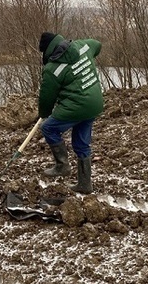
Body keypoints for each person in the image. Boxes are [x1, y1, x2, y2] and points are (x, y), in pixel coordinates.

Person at [38, 32, 103, 194]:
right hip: (94, 104)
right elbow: (97, 44)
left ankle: (62, 165)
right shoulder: (83, 46)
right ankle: (85, 184)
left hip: (76, 106)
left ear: (47, 52)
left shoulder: (53, 69)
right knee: (81, 143)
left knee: (48, 128)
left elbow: (47, 98)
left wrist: (44, 113)